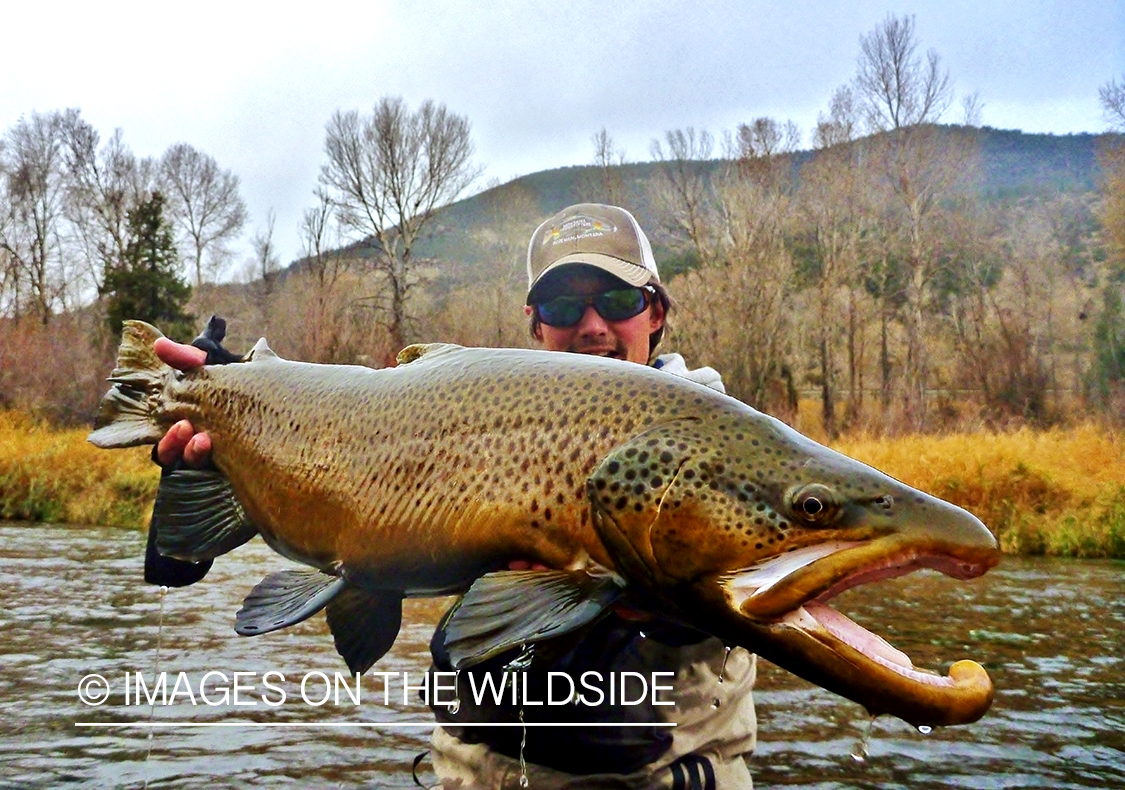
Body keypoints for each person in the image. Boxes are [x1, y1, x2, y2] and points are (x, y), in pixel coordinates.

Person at [151, 203, 757, 789]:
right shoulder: (490, 414)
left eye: (621, 300)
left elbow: (763, 592)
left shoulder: (733, 449)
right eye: (564, 303)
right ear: (536, 322)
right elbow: (337, 454)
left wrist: (662, 597)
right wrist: (235, 404)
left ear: (656, 313)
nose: (592, 325)